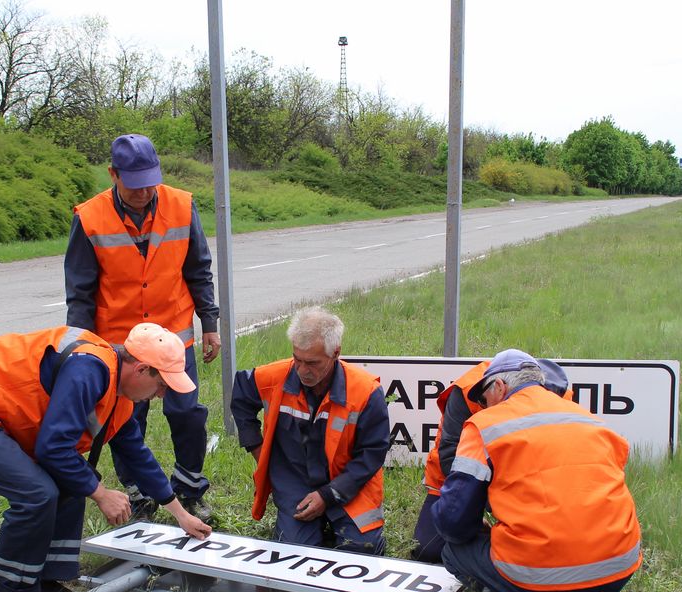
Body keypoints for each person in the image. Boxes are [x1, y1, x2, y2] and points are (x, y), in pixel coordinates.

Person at [0, 323, 212, 592]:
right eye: (162, 385)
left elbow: (138, 457)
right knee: (36, 494)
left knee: (71, 481)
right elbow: (53, 449)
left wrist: (180, 515)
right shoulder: (89, 370)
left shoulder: (119, 394)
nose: (162, 395)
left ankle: (43, 583)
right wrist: (101, 494)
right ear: (141, 369)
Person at [64, 133, 219, 522]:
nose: (144, 192)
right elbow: (80, 294)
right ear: (113, 174)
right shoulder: (89, 218)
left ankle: (190, 485)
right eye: (134, 185)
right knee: (125, 419)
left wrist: (210, 323)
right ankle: (136, 492)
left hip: (174, 336)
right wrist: (80, 347)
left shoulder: (182, 206)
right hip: (120, 345)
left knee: (186, 410)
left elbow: (198, 269)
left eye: (151, 182)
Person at [433, 348, 640, 592]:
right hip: (617, 570)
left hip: (542, 575)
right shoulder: (590, 419)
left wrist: (482, 527)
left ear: (500, 386)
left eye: (483, 398)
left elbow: (452, 521)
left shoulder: (485, 425)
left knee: (453, 551)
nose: (483, 405)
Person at [231, 307, 390, 554]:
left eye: (313, 363)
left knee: (362, 549)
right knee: (294, 553)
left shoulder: (365, 392)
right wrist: (257, 449)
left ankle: (333, 524)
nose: (302, 370)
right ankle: (315, 528)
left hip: (349, 483)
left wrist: (327, 495)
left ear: (335, 353)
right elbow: (241, 395)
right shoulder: (275, 376)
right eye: (297, 359)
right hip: (295, 480)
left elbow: (372, 454)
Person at [412, 356, 570, 562]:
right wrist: (482, 504)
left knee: (551, 547)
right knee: (429, 550)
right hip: (458, 478)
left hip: (533, 488)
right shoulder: (469, 392)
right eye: (485, 401)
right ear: (498, 387)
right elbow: (449, 454)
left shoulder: (561, 398)